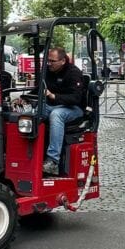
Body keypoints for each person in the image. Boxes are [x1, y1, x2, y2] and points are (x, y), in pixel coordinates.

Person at [42, 47, 85, 176]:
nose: (49, 63)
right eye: (48, 60)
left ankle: (53, 161)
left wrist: (54, 96)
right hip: (53, 106)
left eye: (52, 61)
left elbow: (76, 98)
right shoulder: (48, 72)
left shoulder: (73, 73)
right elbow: (40, 89)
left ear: (62, 61)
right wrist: (24, 99)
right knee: (33, 112)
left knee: (57, 115)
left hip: (74, 109)